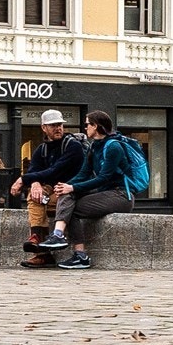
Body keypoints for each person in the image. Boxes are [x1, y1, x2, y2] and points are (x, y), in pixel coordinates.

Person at [37, 111, 134, 269]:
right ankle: (60, 238)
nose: (85, 127)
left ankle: (78, 253)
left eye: (87, 124)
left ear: (96, 126)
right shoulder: (94, 146)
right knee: (68, 196)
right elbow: (83, 174)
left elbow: (103, 178)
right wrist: (63, 187)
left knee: (72, 206)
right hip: (104, 193)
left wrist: (72, 187)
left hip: (121, 195)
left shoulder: (113, 147)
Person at [12, 110, 86, 269]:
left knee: (39, 199)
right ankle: (38, 244)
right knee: (34, 195)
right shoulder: (42, 149)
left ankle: (41, 251)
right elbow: (34, 170)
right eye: (53, 125)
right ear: (43, 128)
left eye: (60, 125)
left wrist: (23, 179)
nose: (58, 128)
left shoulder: (73, 146)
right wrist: (34, 182)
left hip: (72, 193)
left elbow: (54, 171)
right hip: (53, 190)